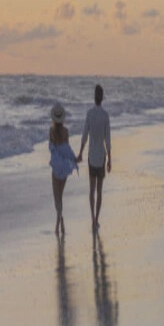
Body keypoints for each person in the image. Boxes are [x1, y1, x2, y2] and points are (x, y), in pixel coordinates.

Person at [76, 84, 111, 230]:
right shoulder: (105, 115)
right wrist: (110, 159)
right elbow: (107, 139)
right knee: (100, 191)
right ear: (102, 98)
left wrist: (80, 153)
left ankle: (92, 219)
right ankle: (97, 219)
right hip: (101, 156)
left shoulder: (89, 114)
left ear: (94, 96)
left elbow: (84, 136)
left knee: (91, 190)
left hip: (91, 156)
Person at [48, 102, 77, 235]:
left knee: (57, 197)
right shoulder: (66, 132)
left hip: (56, 168)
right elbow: (67, 150)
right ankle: (60, 222)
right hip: (64, 167)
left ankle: (59, 223)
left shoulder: (51, 131)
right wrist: (74, 159)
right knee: (61, 196)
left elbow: (52, 150)